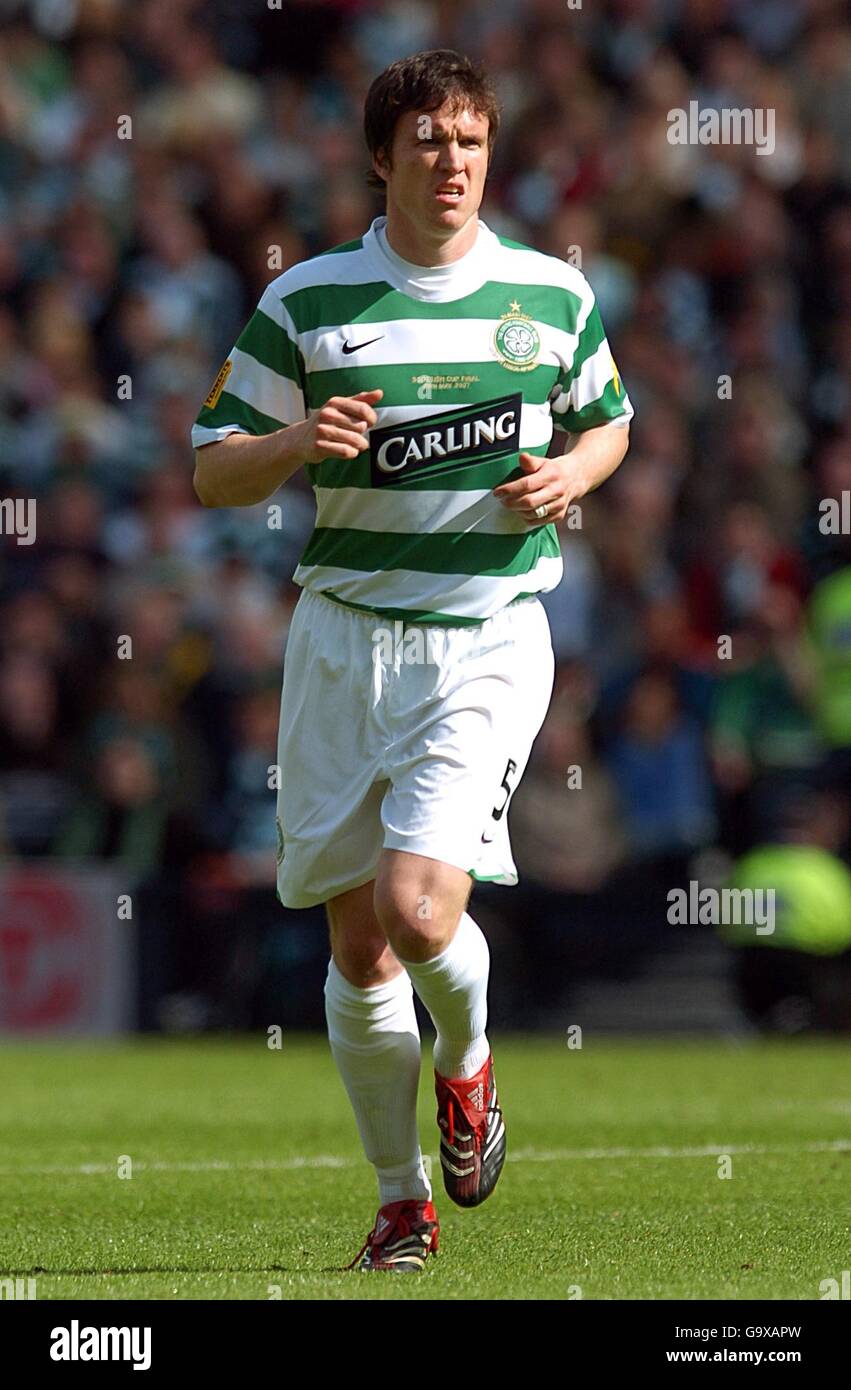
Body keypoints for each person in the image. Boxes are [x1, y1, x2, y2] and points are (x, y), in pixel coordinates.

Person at [191, 49, 632, 1273]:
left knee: (415, 904)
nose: (453, 163)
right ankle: (399, 1200)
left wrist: (570, 474)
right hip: (340, 640)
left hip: (484, 637)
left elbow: (608, 422)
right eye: (429, 141)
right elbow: (208, 468)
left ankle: (472, 1064)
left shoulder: (546, 295)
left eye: (472, 141)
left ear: (493, 156)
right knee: (356, 946)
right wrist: (292, 441)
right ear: (380, 155)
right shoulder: (309, 302)